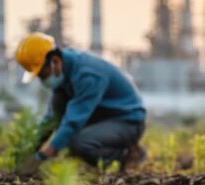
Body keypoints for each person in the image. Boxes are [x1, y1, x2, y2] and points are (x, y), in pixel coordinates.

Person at [15, 32, 146, 169]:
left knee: (78, 143)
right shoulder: (64, 73)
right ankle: (82, 150)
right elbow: (51, 117)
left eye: (42, 74)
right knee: (59, 107)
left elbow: (73, 122)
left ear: (55, 61)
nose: (42, 80)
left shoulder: (87, 75)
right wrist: (29, 148)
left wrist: (43, 155)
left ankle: (127, 155)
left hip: (127, 121)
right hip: (101, 116)